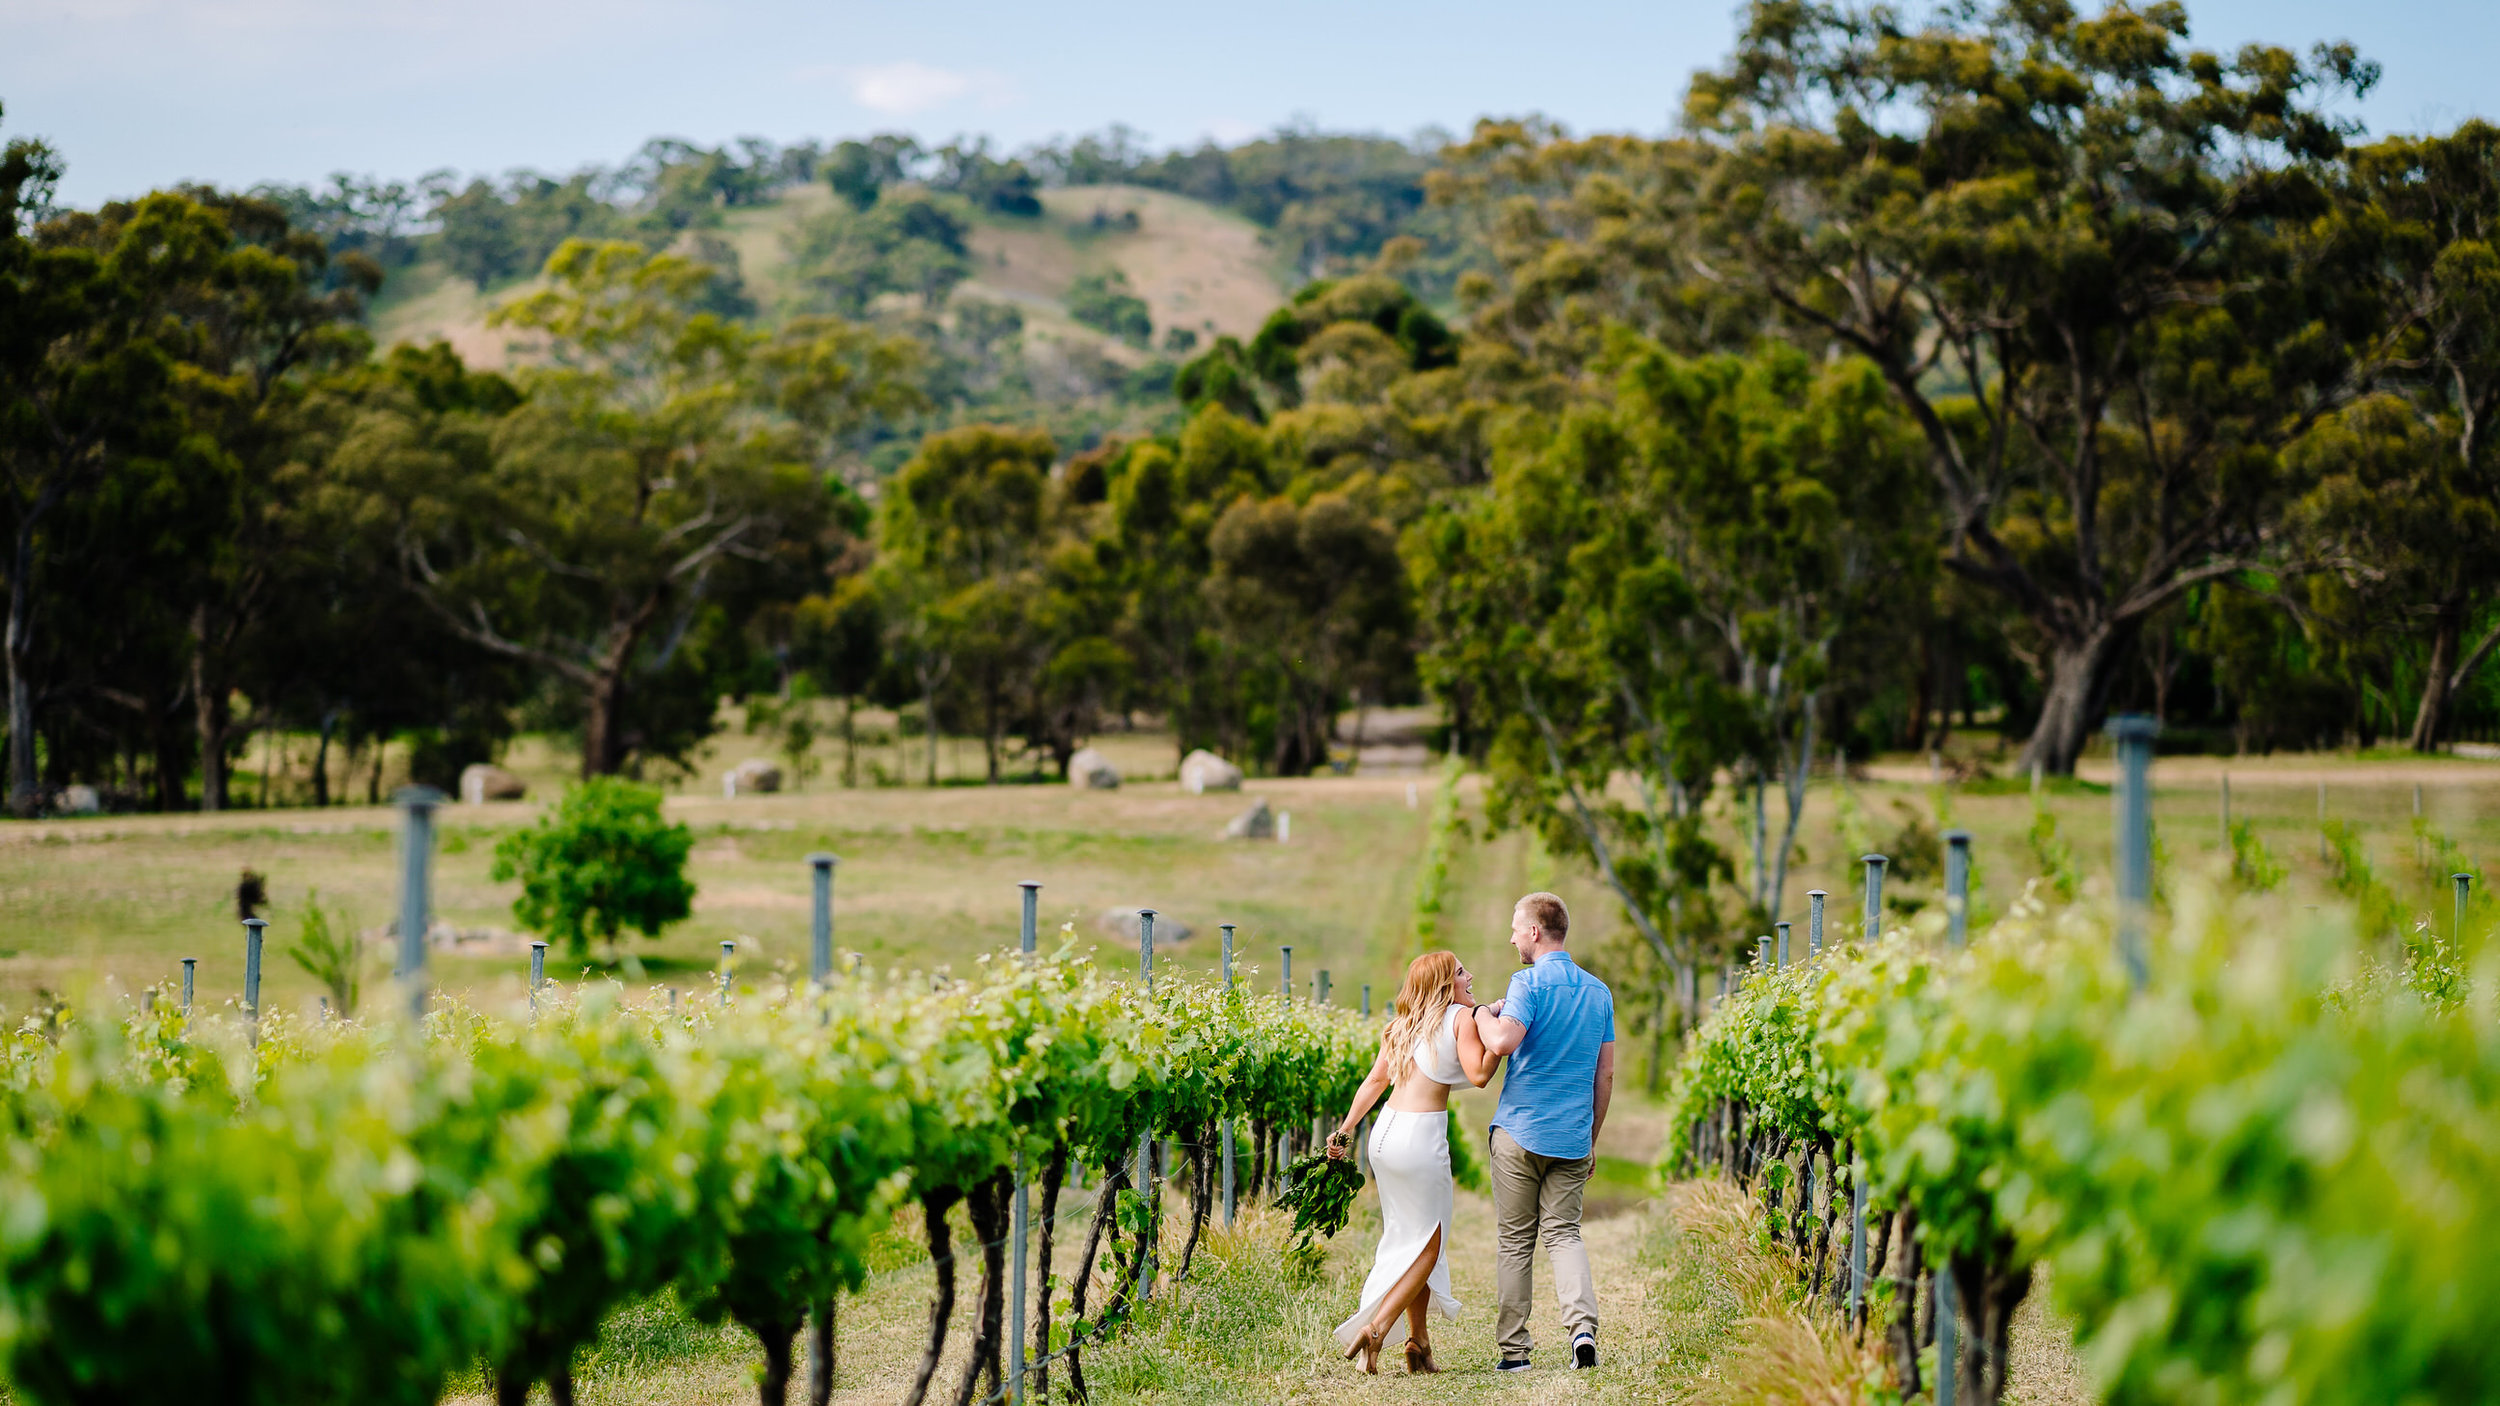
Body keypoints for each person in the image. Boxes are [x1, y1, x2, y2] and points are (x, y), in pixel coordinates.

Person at [1324, 950, 1499, 1374]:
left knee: (1411, 1237)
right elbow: (1479, 1075)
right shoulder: (1460, 1018)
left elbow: (1375, 1081)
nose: (1469, 976)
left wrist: (1345, 1130)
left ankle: (1418, 1343)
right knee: (1430, 1242)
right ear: (1444, 985)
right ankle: (1378, 1328)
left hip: (1384, 1137)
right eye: (1461, 972)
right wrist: (1500, 1039)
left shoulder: (1400, 1026)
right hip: (1420, 1139)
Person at [1472, 891, 1614, 1372]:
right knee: (1565, 1235)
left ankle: (1515, 1354)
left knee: (1516, 1242)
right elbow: (1605, 1075)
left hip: (1520, 1130)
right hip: (1572, 1136)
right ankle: (1582, 1332)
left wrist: (1479, 1013)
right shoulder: (1599, 993)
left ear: (1535, 931)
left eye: (1516, 927)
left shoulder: (1526, 983)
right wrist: (1589, 1139)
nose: (1511, 936)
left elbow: (1504, 1041)